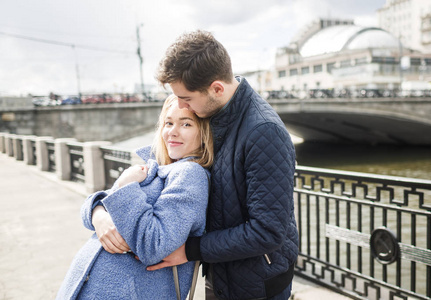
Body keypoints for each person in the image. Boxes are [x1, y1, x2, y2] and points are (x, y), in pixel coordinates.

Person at [88, 30, 299, 300]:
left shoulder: (263, 132)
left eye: (186, 98)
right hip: (221, 274)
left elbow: (268, 231)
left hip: (258, 285)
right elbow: (146, 175)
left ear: (217, 89)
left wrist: (189, 250)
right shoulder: (207, 113)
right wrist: (99, 212)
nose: (179, 105)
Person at [56, 94, 214, 300]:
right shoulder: (156, 165)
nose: (172, 132)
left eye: (186, 124)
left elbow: (153, 245)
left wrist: (126, 185)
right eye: (168, 122)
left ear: (204, 133)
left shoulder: (190, 175)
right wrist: (98, 216)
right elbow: (96, 206)